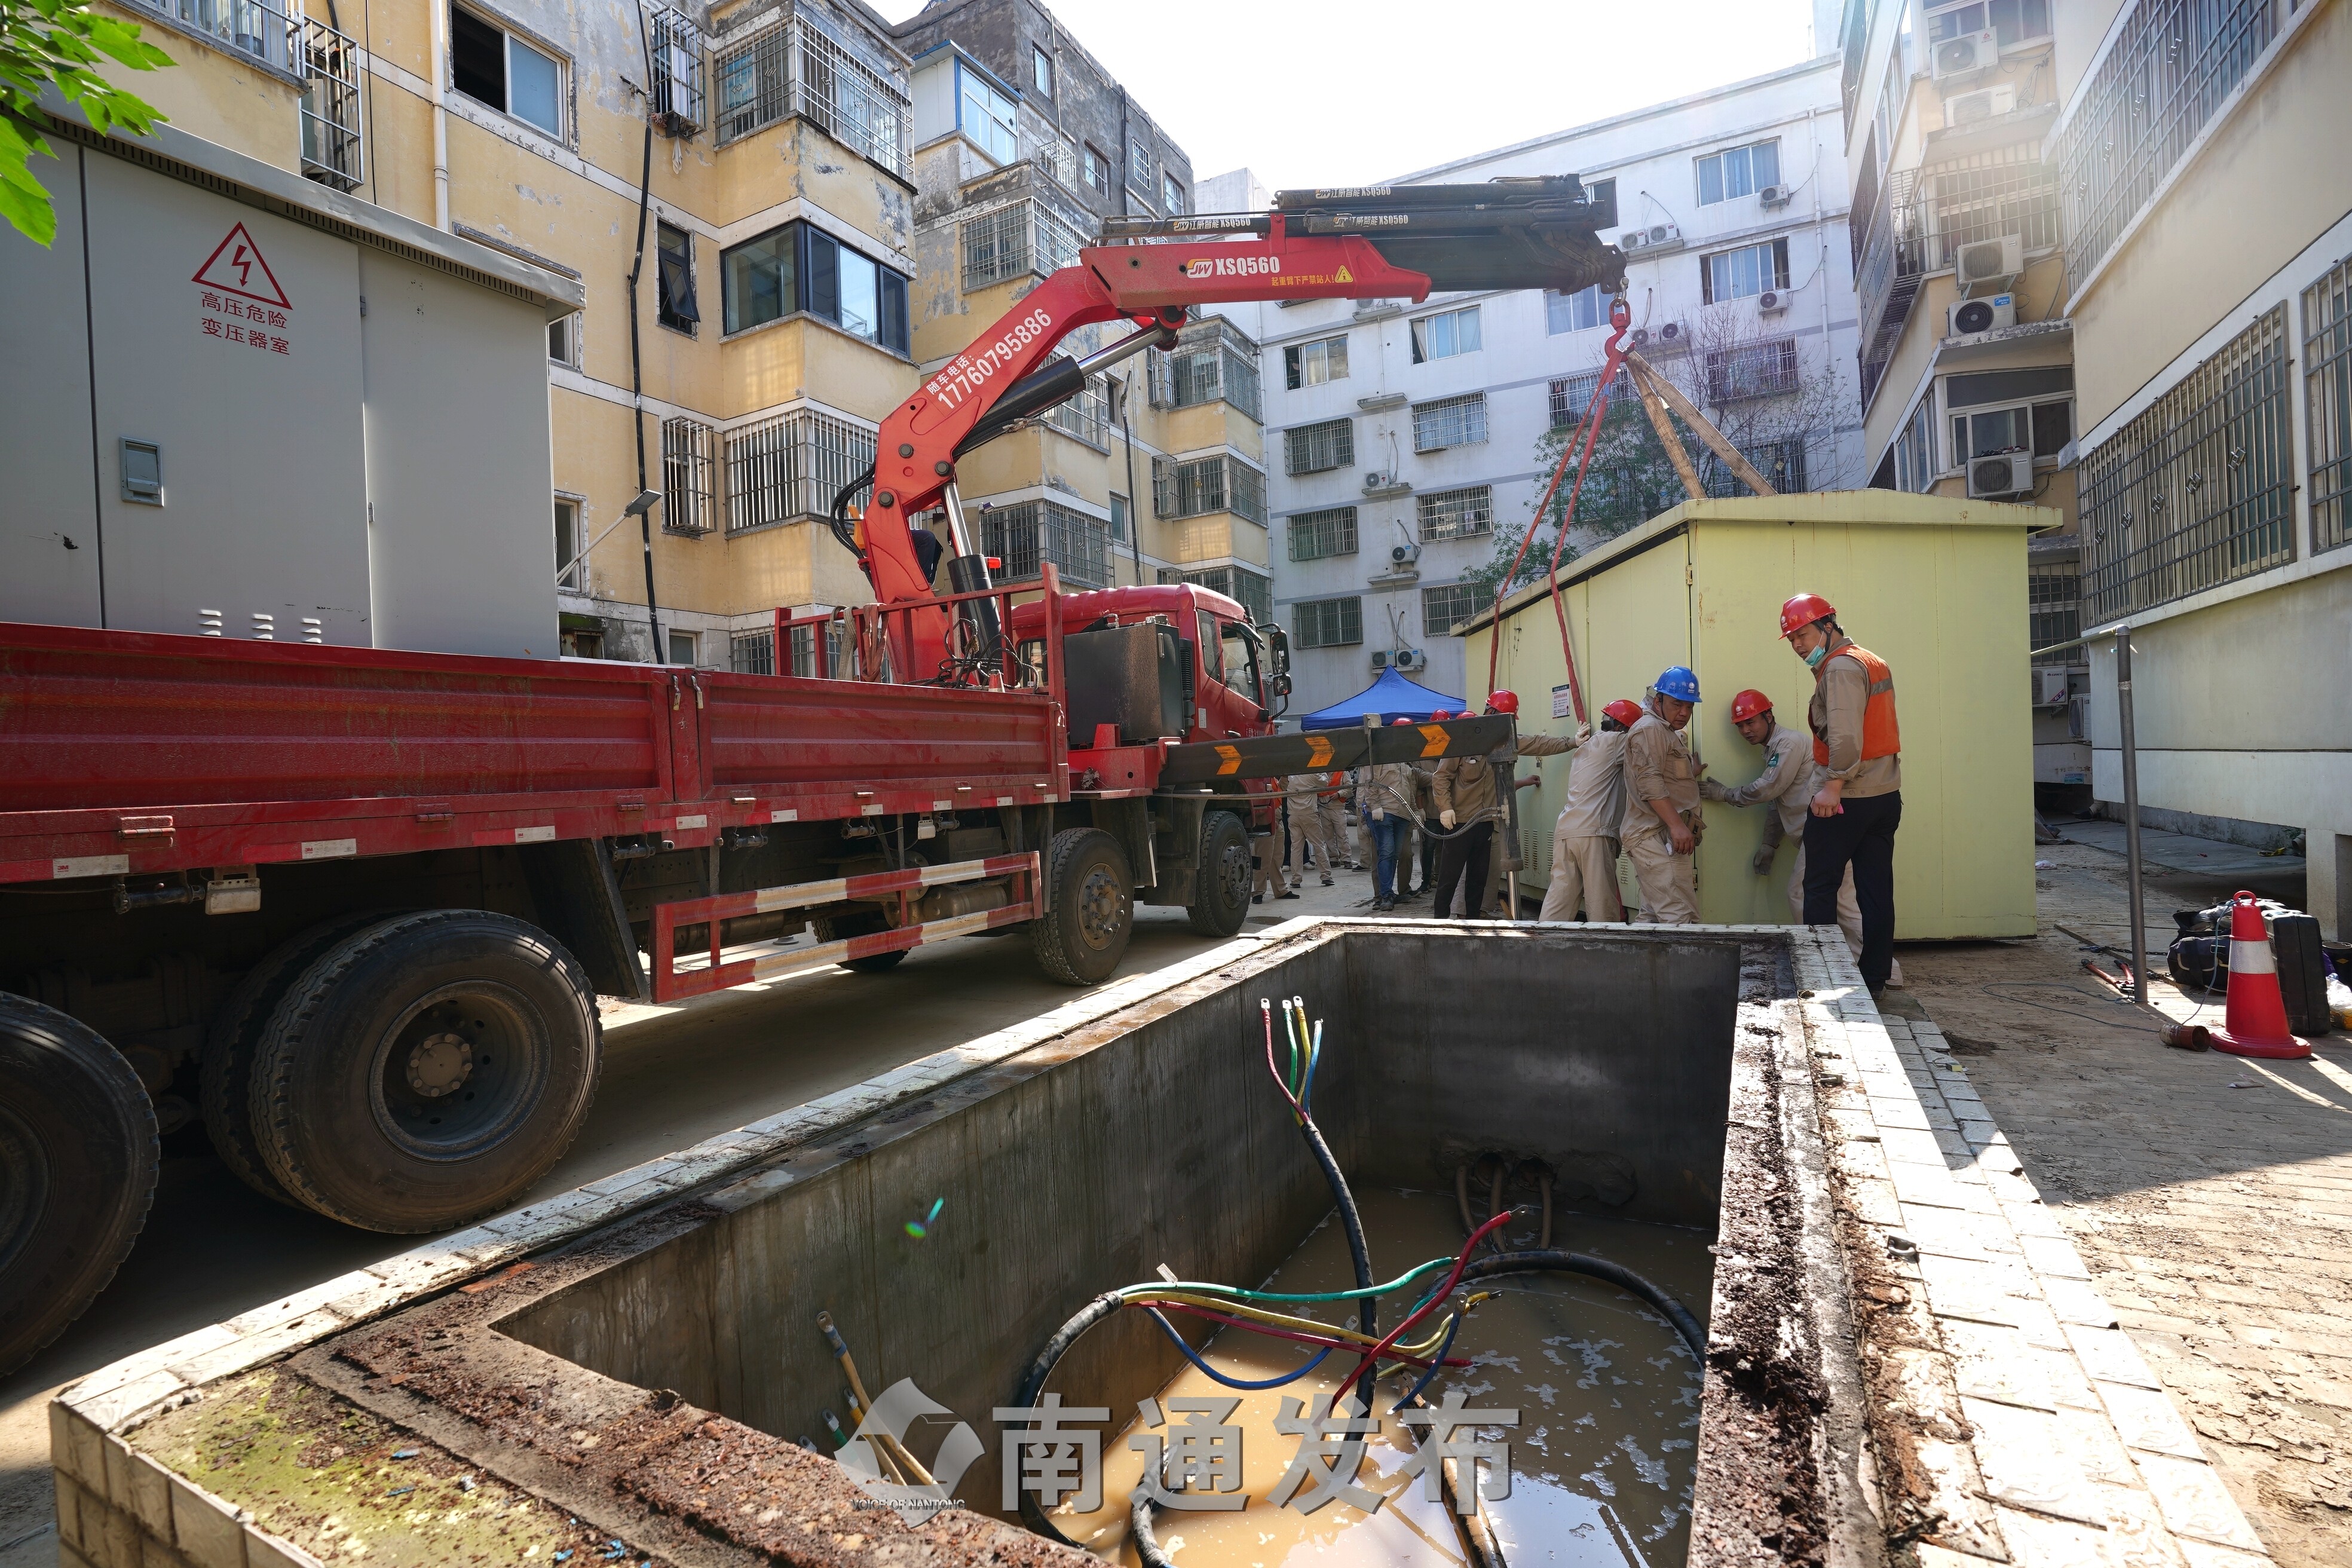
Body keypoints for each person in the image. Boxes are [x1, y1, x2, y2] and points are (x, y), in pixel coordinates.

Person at [1701, 688, 1901, 985]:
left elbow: (1767, 789)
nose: (1746, 730)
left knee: (1802, 894)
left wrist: (1726, 794)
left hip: (1825, 832)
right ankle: (1883, 971)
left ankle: (1830, 965)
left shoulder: (1789, 743)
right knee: (1845, 906)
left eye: (1752, 722)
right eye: (1741, 725)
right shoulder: (1775, 747)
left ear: (1769, 716)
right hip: (1824, 832)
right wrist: (1770, 844)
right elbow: (1777, 800)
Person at [1781, 593, 1903, 993]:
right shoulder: (1869, 660)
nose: (1799, 645)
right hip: (1884, 794)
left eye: (1803, 634)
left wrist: (1832, 786)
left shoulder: (1839, 670)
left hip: (1848, 797)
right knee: (1875, 890)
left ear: (1828, 626)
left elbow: (1847, 738)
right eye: (1793, 638)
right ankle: (1874, 977)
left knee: (1818, 887)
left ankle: (1822, 977)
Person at [1429, 691, 1574, 919]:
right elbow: (1441, 777)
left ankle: (1473, 922)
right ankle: (1439, 923)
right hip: (1460, 823)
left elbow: (1538, 743)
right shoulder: (1463, 739)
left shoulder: (1504, 740)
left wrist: (1573, 742)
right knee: (1449, 877)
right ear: (1491, 712)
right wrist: (1445, 807)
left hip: (1486, 821)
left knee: (1479, 878)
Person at [1538, 698, 1643, 922]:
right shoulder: (1617, 742)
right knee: (1601, 903)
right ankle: (1607, 951)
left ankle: (1543, 945)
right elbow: (1649, 746)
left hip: (1567, 830)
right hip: (1593, 833)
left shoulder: (1589, 745)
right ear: (1623, 729)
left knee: (1560, 900)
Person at [1619, 667, 1705, 925]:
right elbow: (1650, 783)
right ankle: (1687, 967)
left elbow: (1662, 773)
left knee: (1654, 916)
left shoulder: (1663, 730)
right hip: (1654, 836)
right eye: (1677, 704)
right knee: (1680, 916)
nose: (1684, 713)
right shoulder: (1650, 729)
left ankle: (1637, 965)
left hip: (1662, 838)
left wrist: (1689, 775)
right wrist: (1678, 827)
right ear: (1658, 700)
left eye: (1690, 707)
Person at [1358, 717, 1422, 912]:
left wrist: (1415, 812)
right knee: (1386, 853)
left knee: (1394, 854)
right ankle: (1385, 896)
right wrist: (1375, 806)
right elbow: (1370, 782)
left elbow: (1408, 789)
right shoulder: (1380, 754)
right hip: (1384, 812)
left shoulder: (1404, 761)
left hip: (1401, 813)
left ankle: (1388, 894)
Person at [1282, 770, 1342, 889]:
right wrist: (1323, 770)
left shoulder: (1289, 774)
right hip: (1309, 813)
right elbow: (1325, 783)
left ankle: (1296, 879)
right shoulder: (1310, 773)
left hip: (1293, 814)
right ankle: (1326, 876)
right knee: (1319, 845)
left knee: (1296, 848)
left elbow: (1282, 785)